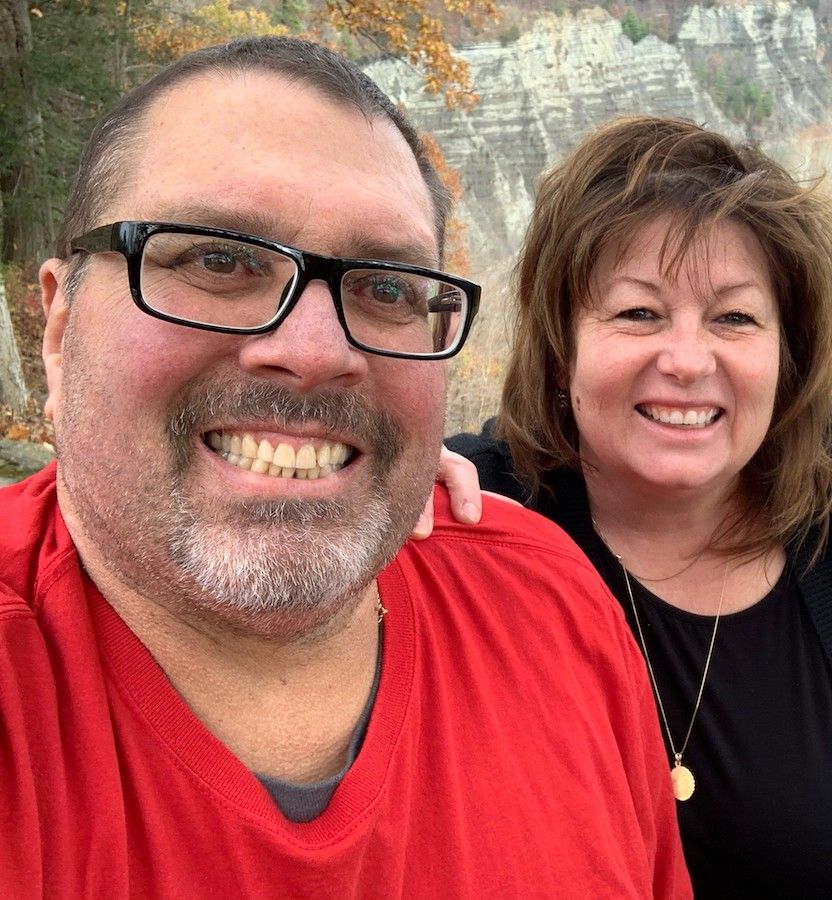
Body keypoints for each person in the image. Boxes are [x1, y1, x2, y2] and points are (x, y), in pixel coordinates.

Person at [0, 40, 691, 898]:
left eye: (389, 287)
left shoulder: (552, 611)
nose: (316, 352)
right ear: (62, 328)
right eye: (219, 260)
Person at [444, 116, 832, 899]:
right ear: (562, 346)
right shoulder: (471, 524)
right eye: (637, 313)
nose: (684, 359)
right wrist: (378, 489)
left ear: (788, 352)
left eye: (734, 317)